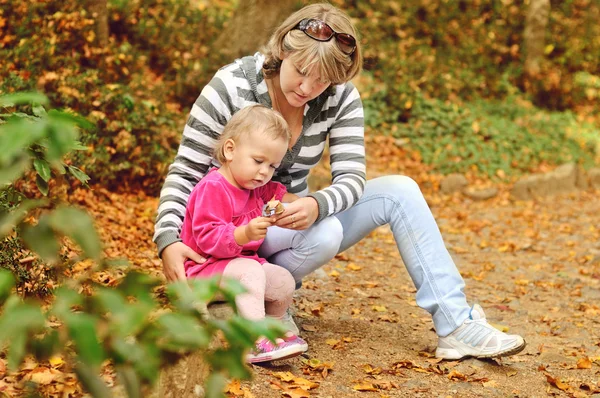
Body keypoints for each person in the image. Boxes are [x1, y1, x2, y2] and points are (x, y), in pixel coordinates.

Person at [154, 3, 526, 360]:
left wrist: (316, 205)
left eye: (323, 79)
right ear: (283, 48)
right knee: (326, 231)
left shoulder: (341, 97)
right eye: (301, 70)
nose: (307, 87)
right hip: (219, 235)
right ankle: (242, 298)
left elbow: (351, 177)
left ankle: (456, 324)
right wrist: (167, 240)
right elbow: (186, 170)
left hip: (282, 226)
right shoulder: (232, 86)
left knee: (398, 192)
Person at [179, 104, 308, 363]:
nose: (264, 172)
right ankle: (253, 340)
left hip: (240, 267)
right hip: (205, 269)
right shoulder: (214, 187)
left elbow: (275, 195)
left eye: (272, 165)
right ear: (230, 150)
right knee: (250, 270)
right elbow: (207, 238)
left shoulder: (252, 185)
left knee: (283, 279)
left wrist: (281, 207)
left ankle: (272, 328)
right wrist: (243, 233)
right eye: (258, 161)